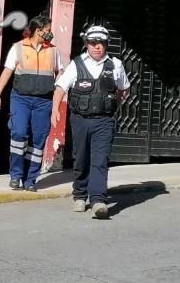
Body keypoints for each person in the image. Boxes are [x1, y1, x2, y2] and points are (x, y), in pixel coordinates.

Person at [51, 25, 130, 219]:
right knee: (81, 159)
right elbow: (61, 88)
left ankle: (98, 200)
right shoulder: (76, 64)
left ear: (106, 45)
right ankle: (79, 195)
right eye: (93, 43)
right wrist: (55, 110)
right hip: (79, 120)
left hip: (104, 121)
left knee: (100, 160)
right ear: (86, 44)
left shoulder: (116, 65)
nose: (97, 47)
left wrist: (111, 103)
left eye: (101, 43)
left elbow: (123, 89)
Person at [0, 15, 64, 192]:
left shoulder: (53, 51)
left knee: (38, 139)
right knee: (18, 133)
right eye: (47, 31)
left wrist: (56, 95)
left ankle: (30, 180)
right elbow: (7, 71)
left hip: (44, 101)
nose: (50, 34)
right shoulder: (18, 47)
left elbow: (61, 73)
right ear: (37, 31)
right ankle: (16, 176)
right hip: (20, 98)